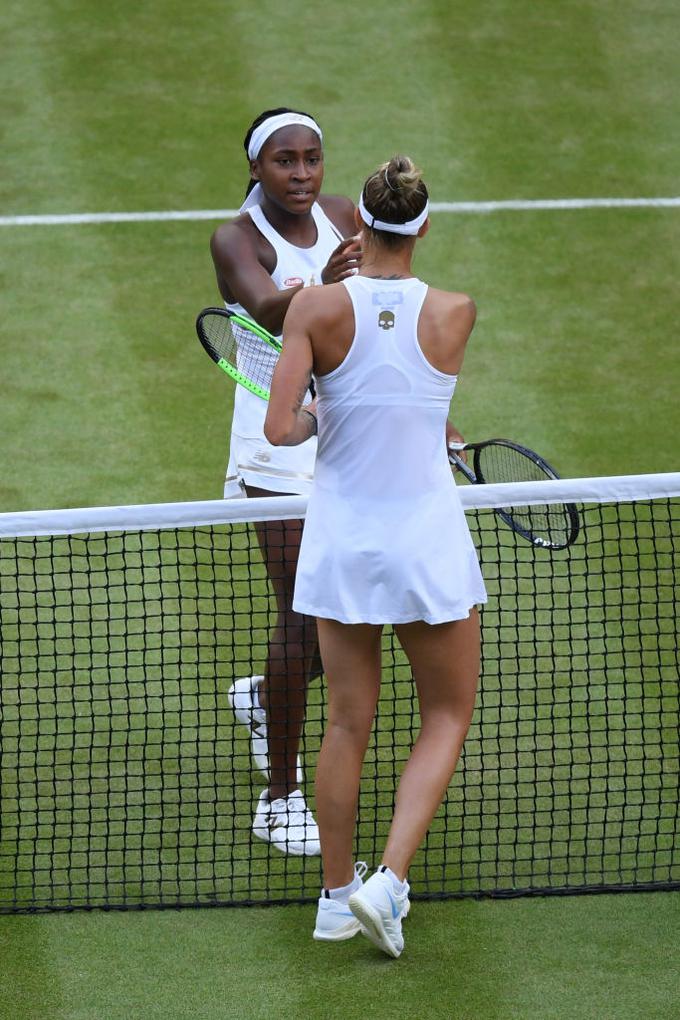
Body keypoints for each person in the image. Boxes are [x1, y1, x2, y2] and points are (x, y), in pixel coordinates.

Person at [264, 155, 487, 957]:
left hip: (344, 546)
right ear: (423, 226)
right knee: (447, 714)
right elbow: (418, 407)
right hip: (426, 544)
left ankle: (333, 899)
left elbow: (279, 430)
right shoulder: (456, 313)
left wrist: (323, 414)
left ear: (356, 224)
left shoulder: (315, 309)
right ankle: (388, 881)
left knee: (346, 722)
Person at [210, 108, 360, 856]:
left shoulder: (341, 217)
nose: (301, 174)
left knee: (351, 606)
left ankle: (265, 700)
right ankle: (280, 798)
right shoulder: (236, 238)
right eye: (283, 162)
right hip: (271, 441)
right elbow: (265, 306)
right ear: (257, 170)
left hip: (342, 429)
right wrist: (326, 287)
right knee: (304, 611)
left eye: (311, 159)